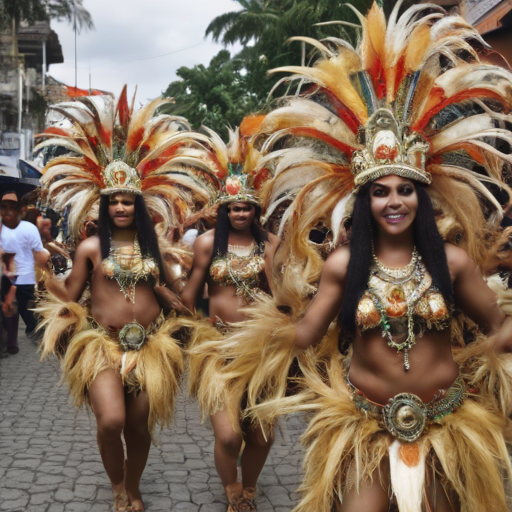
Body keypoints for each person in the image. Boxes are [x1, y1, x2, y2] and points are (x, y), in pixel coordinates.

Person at [207, 3, 512, 512]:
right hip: (364, 421)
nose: (394, 201)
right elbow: (305, 335)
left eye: (406, 190)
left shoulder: (453, 263)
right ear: (364, 201)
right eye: (381, 192)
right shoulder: (343, 267)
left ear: (423, 196)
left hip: (445, 421)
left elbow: (496, 326)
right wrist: (270, 313)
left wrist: (492, 359)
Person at [37, 88, 219, 512]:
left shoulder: (155, 246)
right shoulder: (91, 249)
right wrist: (47, 276)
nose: (120, 206)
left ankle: (131, 487)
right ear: (104, 206)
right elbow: (71, 296)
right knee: (111, 421)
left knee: (138, 429)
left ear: (138, 205)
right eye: (114, 201)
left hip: (152, 346)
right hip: (102, 344)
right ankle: (117, 484)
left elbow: (177, 298)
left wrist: (168, 289)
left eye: (127, 201)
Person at [182, 171, 280, 512]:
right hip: (218, 348)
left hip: (262, 349)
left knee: (261, 433)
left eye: (247, 208)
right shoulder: (208, 243)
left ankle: (249, 487)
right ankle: (231, 488)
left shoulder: (270, 243)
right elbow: (190, 296)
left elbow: (282, 298)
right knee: (228, 435)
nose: (241, 214)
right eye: (234, 209)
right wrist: (200, 316)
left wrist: (271, 268)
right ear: (224, 211)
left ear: (256, 211)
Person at [0, 191, 49, 352]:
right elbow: (40, 253)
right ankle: (19, 341)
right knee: (19, 310)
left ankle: (17, 341)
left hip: (16, 276)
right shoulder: (28, 227)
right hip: (16, 277)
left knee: (15, 310)